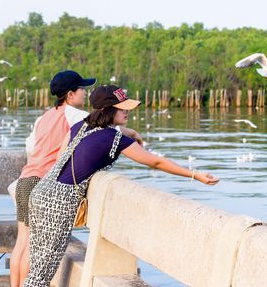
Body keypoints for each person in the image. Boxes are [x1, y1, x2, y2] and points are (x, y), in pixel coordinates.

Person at [23, 85, 219, 286]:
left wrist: (126, 135)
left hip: (42, 192)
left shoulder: (79, 127)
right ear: (108, 109)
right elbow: (155, 162)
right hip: (59, 203)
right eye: (122, 107)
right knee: (42, 273)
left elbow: (60, 158)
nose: (127, 111)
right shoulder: (114, 139)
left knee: (38, 267)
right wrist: (194, 174)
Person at [10, 72, 143, 287]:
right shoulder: (73, 115)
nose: (85, 92)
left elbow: (30, 147)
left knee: (22, 243)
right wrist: (133, 133)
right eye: (82, 89)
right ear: (70, 94)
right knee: (36, 255)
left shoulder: (44, 116)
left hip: (25, 180)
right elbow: (101, 127)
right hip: (46, 182)